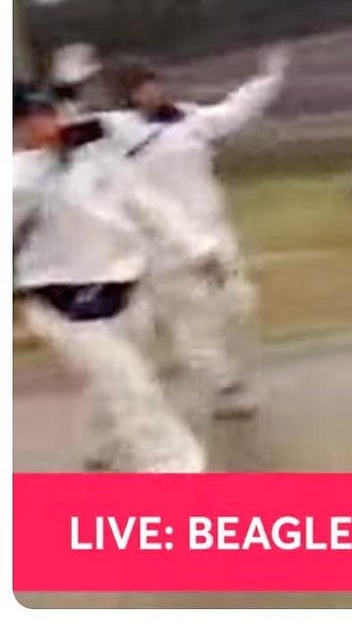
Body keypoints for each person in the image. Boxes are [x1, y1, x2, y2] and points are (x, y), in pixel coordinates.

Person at [13, 83, 221, 472]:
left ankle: (102, 445)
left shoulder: (96, 158)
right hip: (58, 299)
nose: (44, 124)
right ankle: (171, 466)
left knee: (118, 379)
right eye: (29, 119)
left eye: (47, 114)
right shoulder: (16, 176)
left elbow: (148, 204)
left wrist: (198, 248)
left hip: (122, 285)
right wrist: (48, 164)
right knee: (132, 385)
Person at [100, 49, 289, 423]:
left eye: (152, 84)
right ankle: (224, 386)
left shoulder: (188, 118)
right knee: (192, 320)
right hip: (164, 244)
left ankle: (216, 367)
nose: (151, 92)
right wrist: (64, 93)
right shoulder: (117, 132)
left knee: (238, 304)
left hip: (214, 231)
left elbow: (232, 112)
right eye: (139, 88)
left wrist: (268, 80)